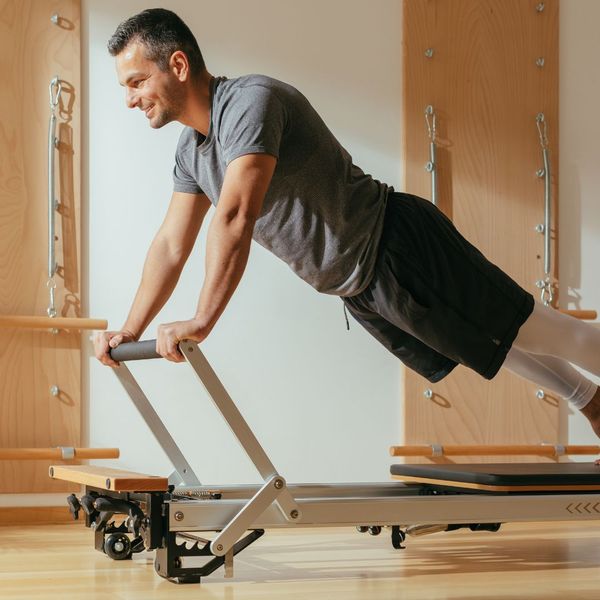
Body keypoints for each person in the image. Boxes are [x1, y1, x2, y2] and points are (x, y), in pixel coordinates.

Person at [94, 8, 600, 440]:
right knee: (489, 345)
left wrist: (202, 318)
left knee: (536, 331)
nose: (131, 99)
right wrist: (130, 329)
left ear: (177, 65)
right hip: (359, 285)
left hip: (396, 247)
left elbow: (235, 214)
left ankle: (588, 393)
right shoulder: (191, 152)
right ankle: (590, 399)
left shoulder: (250, 102)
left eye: (137, 82)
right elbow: (170, 245)